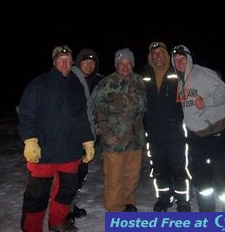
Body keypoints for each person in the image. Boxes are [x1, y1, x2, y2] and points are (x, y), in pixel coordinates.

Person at [18, 45, 95, 232]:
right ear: (54, 62)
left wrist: (88, 140)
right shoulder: (39, 84)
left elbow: (82, 117)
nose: (65, 63)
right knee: (37, 195)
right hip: (45, 151)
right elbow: (27, 113)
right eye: (61, 60)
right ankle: (31, 228)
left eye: (68, 60)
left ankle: (57, 222)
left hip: (70, 151)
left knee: (67, 190)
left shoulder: (76, 85)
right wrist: (30, 140)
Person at [171, 44, 225, 212]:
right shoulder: (180, 81)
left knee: (224, 179)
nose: (180, 62)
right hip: (196, 138)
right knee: (202, 181)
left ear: (189, 58)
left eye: (183, 58)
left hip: (217, 135)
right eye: (176, 59)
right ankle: (207, 214)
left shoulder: (203, 73)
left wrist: (206, 101)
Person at [92, 48, 147, 212]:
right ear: (116, 65)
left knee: (132, 176)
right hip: (114, 140)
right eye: (121, 63)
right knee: (114, 178)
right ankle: (115, 209)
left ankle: (128, 202)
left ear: (132, 64)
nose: (125, 67)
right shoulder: (106, 84)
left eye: (128, 63)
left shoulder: (140, 82)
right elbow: (98, 111)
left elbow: (143, 110)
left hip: (135, 140)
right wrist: (107, 134)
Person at [142, 41, 192, 212]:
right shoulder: (145, 75)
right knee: (158, 167)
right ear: (150, 57)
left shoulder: (178, 73)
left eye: (161, 52)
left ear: (166, 55)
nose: (158, 56)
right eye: (154, 53)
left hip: (175, 131)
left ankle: (183, 200)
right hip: (154, 132)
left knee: (179, 166)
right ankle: (164, 197)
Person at [66, 48, 104, 223]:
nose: (89, 64)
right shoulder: (68, 78)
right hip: (70, 136)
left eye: (92, 61)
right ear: (78, 62)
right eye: (85, 61)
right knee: (68, 175)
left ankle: (71, 205)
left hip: (89, 137)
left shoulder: (99, 82)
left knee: (81, 173)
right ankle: (64, 211)